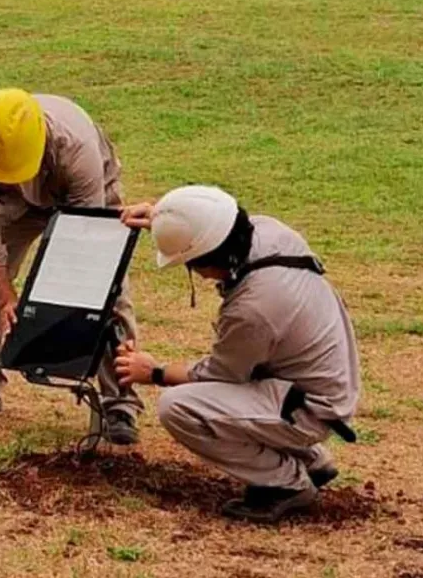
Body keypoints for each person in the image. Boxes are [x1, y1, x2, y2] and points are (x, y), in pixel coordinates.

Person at [115, 185, 360, 523]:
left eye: (190, 264)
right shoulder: (268, 230)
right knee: (231, 393)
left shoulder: (253, 308)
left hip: (310, 408)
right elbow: (212, 226)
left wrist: (153, 371)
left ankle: (286, 482)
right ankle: (311, 458)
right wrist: (164, 218)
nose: (196, 274)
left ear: (208, 259)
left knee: (180, 407)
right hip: (314, 384)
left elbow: (221, 374)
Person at [0, 88, 143, 445]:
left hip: (87, 197)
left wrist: (58, 317)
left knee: (110, 290)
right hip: (18, 206)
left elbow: (84, 238)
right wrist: (6, 298)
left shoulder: (74, 147)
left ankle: (120, 404)